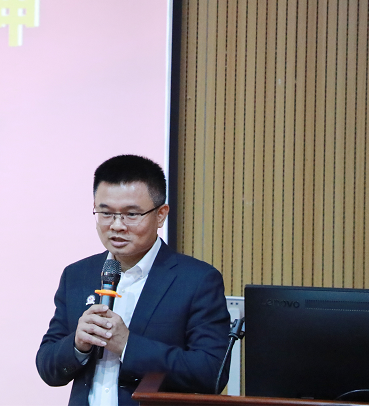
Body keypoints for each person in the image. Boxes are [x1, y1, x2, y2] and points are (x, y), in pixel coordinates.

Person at [36, 155, 230, 405]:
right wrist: (77, 344)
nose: (117, 225)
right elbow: (47, 367)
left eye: (131, 214)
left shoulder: (197, 280)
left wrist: (128, 345)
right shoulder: (77, 274)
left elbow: (211, 372)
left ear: (161, 215)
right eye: (106, 213)